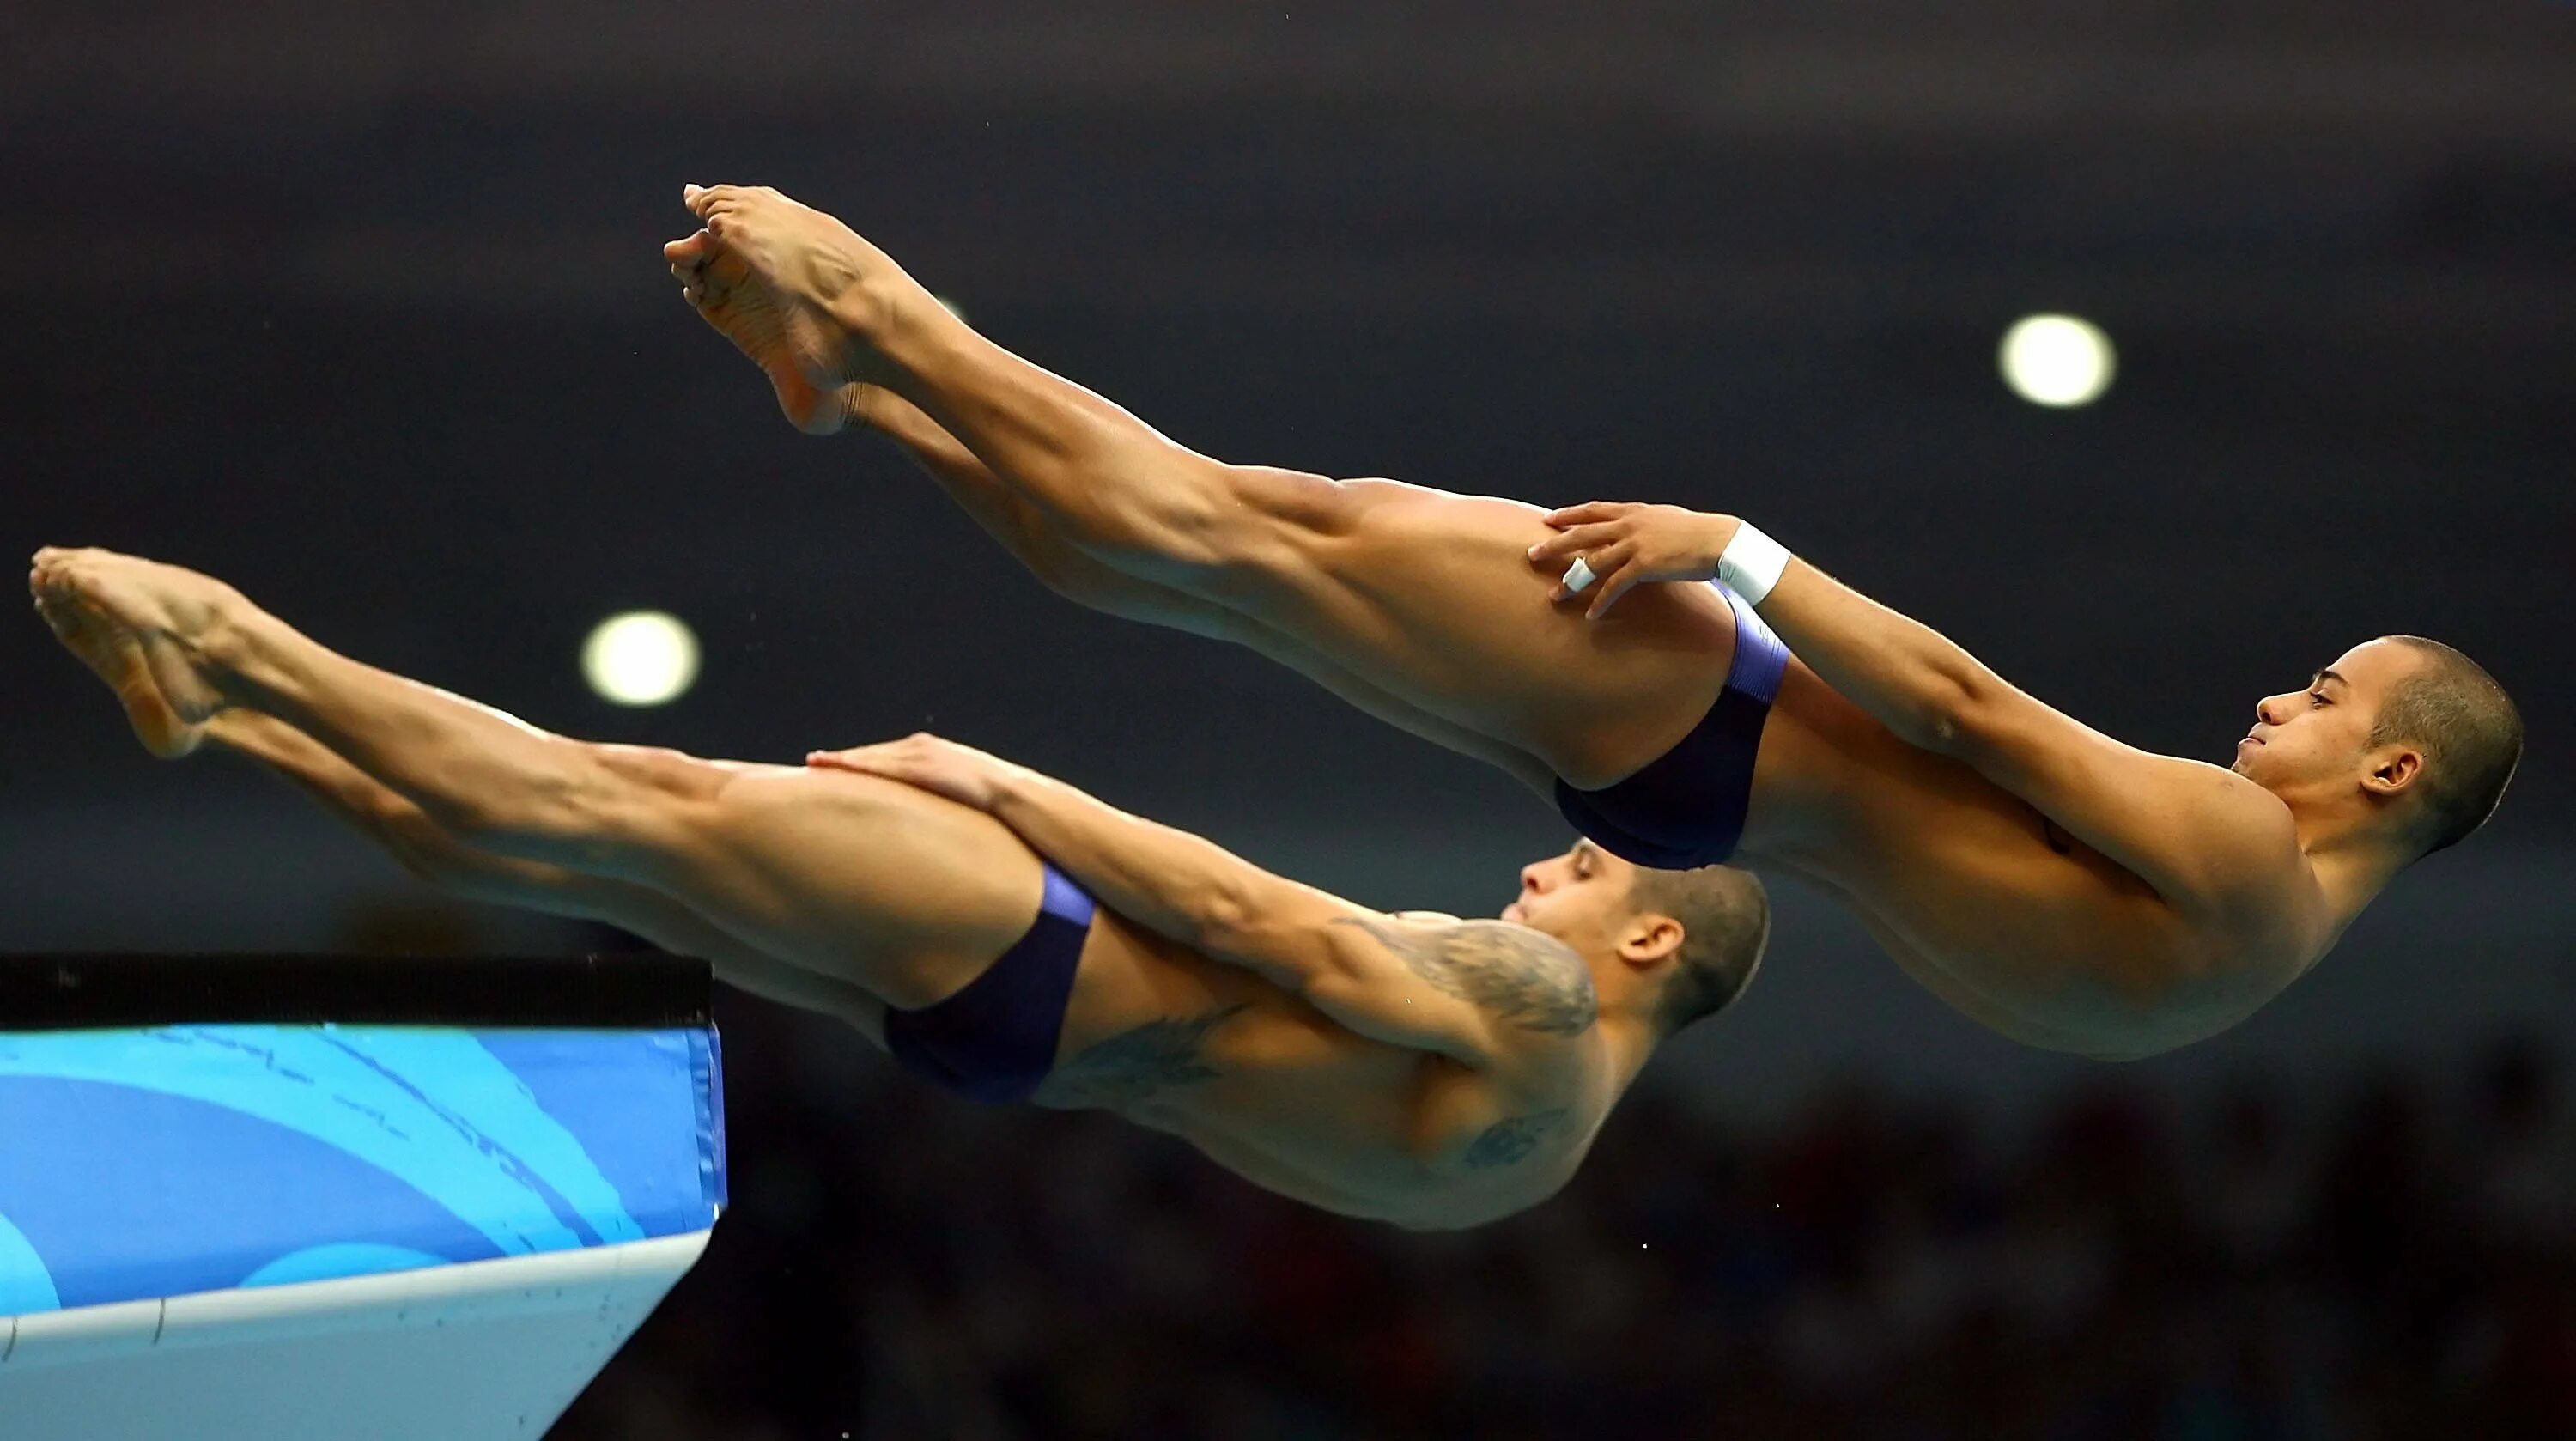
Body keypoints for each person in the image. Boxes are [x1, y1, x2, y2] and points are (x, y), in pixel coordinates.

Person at [665, 183, 2523, 1061]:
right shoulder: (2238, 980)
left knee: (1246, 525)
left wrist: (1742, 552)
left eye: (2324, 690)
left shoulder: (2235, 847)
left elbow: (1958, 705)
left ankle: (869, 308)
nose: (2276, 696)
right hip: (1706, 795)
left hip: (1710, 694)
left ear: (2395, 764)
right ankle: (881, 399)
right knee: (1220, 579)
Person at [27, 546, 1766, 1231]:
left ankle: (229, 641)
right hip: (1004, 1046)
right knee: (580, 854)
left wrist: (1011, 784)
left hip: (1038, 929)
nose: (1543, 858)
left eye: (1586, 862)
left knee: (617, 795)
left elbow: (1265, 924)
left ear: (1652, 934)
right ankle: (243, 729)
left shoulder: (1533, 998)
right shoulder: (1530, 1160)